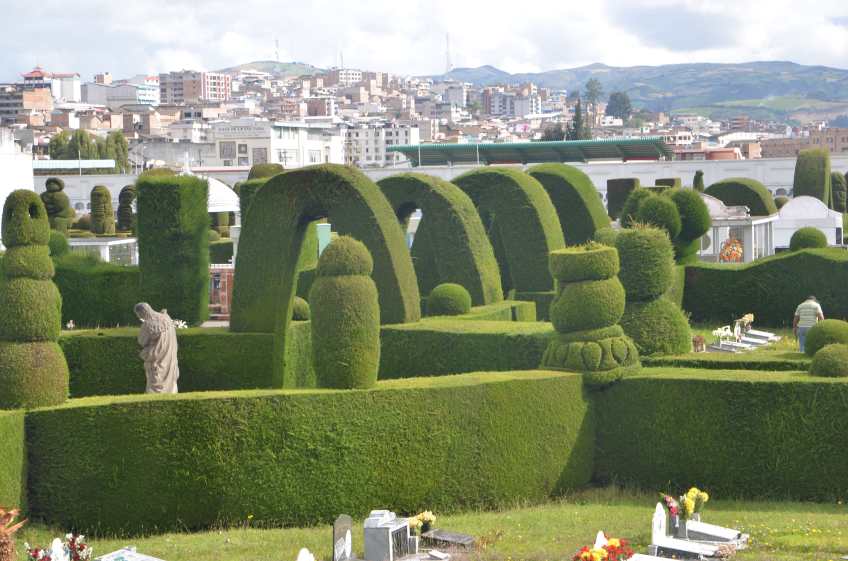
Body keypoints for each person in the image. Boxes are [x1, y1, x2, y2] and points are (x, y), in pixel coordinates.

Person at [134, 302, 180, 393]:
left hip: (157, 359)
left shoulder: (148, 324)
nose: (139, 317)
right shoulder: (166, 317)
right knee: (170, 382)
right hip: (170, 356)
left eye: (139, 315)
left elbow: (141, 341)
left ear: (142, 312)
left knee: (155, 383)